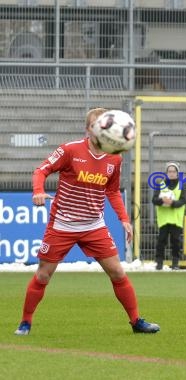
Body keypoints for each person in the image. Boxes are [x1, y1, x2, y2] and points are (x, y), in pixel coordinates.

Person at [14, 107, 160, 336]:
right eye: (97, 125)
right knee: (43, 275)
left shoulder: (115, 157)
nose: (102, 129)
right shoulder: (70, 150)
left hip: (94, 226)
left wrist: (124, 219)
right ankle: (25, 322)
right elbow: (41, 170)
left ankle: (136, 322)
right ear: (88, 128)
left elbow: (112, 191)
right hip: (62, 224)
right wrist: (38, 191)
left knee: (118, 273)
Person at [152, 162, 186, 270]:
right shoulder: (161, 184)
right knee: (161, 240)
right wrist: (162, 200)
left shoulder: (181, 185)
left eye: (174, 171)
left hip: (176, 219)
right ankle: (159, 263)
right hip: (164, 219)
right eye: (169, 171)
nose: (171, 173)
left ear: (177, 173)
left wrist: (172, 203)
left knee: (176, 241)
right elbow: (154, 200)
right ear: (166, 173)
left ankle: (175, 263)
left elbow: (183, 201)